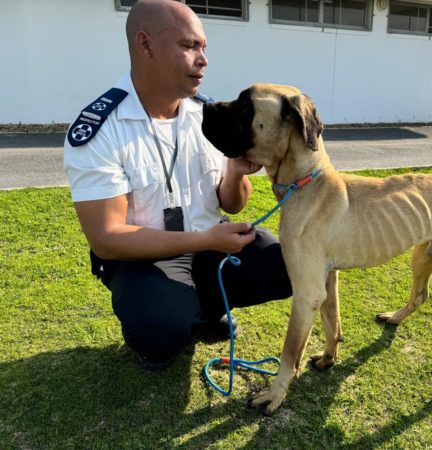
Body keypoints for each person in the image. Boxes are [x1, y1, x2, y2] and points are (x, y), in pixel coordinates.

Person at [63, 0, 292, 371]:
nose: (202, 59)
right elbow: (107, 238)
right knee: (161, 327)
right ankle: (171, 323)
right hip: (143, 259)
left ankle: (205, 308)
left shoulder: (207, 116)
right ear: (145, 45)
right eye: (189, 46)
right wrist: (206, 241)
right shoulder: (102, 129)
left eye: (203, 47)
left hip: (207, 243)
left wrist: (233, 173)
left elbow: (231, 205)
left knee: (288, 263)